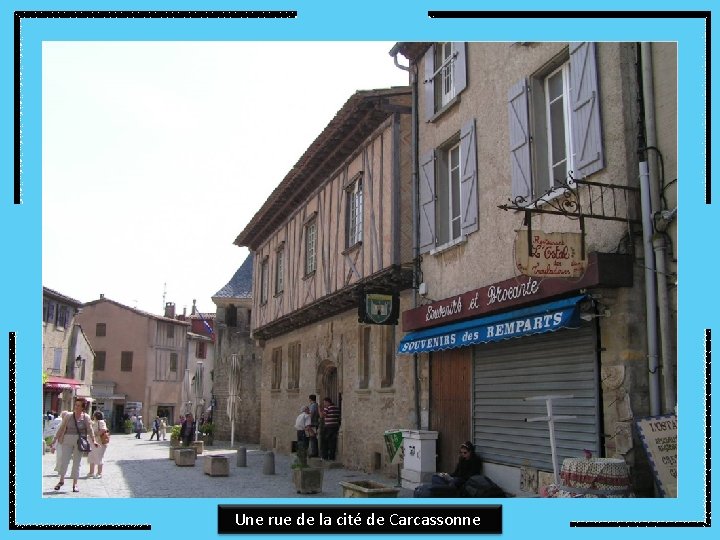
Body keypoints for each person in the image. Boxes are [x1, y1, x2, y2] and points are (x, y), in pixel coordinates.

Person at [52, 399, 98, 493]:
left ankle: (75, 484)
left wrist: (94, 440)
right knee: (64, 460)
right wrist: (55, 439)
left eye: (78, 405)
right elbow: (61, 428)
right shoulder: (68, 415)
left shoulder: (86, 417)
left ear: (83, 407)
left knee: (77, 463)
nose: (76, 407)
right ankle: (61, 480)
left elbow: (90, 429)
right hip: (67, 440)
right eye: (75, 405)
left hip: (79, 441)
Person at [87, 411, 109, 478]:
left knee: (99, 457)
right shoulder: (94, 422)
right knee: (91, 457)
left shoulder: (101, 422)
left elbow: (103, 430)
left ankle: (99, 473)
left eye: (94, 415)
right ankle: (91, 472)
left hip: (99, 442)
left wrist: (94, 434)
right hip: (92, 442)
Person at [319, 397, 340, 461]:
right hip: (335, 426)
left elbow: (322, 416)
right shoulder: (336, 408)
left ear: (328, 402)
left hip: (328, 427)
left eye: (325, 402)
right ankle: (331, 457)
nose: (324, 404)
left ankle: (324, 457)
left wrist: (319, 409)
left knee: (324, 442)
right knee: (332, 442)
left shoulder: (327, 408)